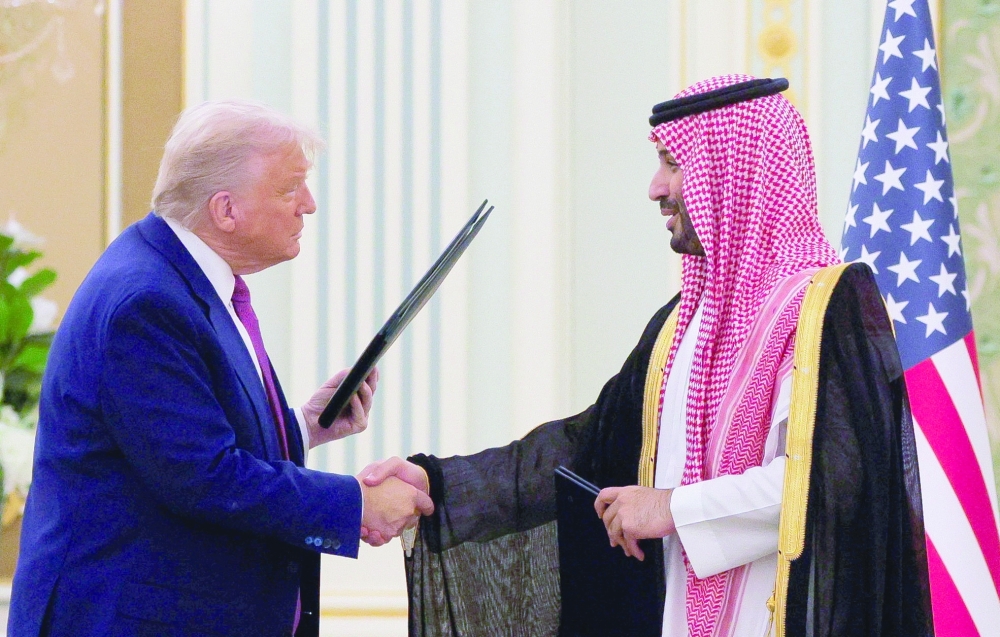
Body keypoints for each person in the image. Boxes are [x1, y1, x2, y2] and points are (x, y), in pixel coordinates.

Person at [362, 76, 933, 636]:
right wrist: (436, 484)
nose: (655, 187)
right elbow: (583, 445)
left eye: (672, 162)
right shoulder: (681, 324)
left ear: (734, 172)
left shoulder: (827, 310)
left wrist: (674, 508)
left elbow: (837, 482)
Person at [9, 100, 433, 637]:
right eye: (289, 189)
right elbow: (204, 478)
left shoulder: (181, 278)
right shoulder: (146, 303)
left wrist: (301, 427)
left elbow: (183, 446)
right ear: (225, 210)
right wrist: (355, 504)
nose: (309, 205)